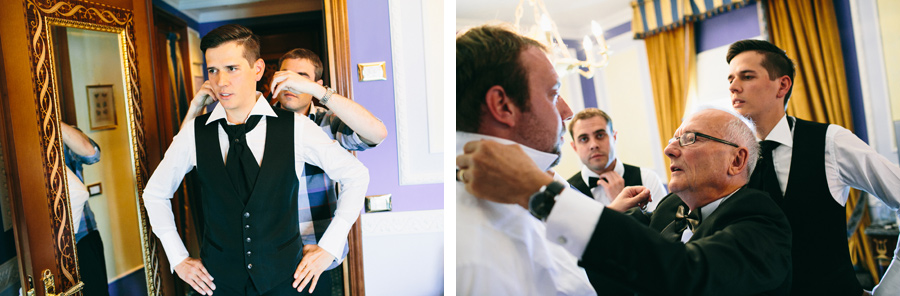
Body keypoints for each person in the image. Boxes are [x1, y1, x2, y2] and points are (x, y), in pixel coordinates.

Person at [457, 108, 793, 295]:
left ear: (736, 161)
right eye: (674, 138)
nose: (669, 149)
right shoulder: (667, 208)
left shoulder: (762, 223)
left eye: (689, 139)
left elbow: (685, 273)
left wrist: (543, 194)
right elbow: (619, 270)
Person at [143, 24, 369, 296]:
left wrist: (330, 245)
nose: (221, 81)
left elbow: (356, 175)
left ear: (258, 69)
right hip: (218, 285)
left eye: (232, 68)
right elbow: (154, 193)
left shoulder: (296, 127)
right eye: (212, 70)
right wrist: (178, 258)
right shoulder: (194, 132)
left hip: (290, 281)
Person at [725, 39, 900, 295]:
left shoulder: (831, 142)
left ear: (782, 85)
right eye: (730, 79)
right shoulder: (733, 158)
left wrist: (889, 290)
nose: (734, 87)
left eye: (746, 76)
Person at [455, 24, 595, 295]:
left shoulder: (546, 184)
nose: (567, 112)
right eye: (553, 94)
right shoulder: (476, 253)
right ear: (503, 106)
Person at [567, 108, 667, 212]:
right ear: (574, 147)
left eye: (600, 135)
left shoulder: (648, 179)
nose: (593, 145)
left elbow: (661, 227)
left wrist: (625, 203)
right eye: (584, 139)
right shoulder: (566, 191)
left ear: (614, 137)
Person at [61, 122, 109, 296]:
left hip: (83, 235)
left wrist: (52, 121)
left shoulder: (67, 133)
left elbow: (92, 153)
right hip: (48, 246)